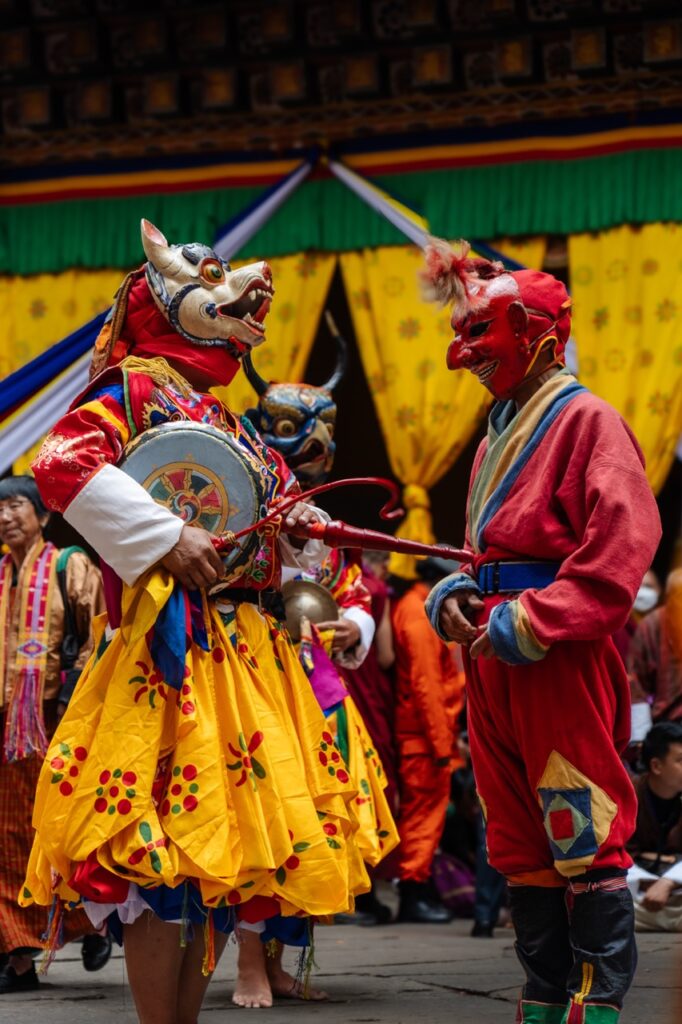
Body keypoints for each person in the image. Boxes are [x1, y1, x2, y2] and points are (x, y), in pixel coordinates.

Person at [20, 220, 367, 1023]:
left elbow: (275, 514)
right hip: (164, 655)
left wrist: (299, 529)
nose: (243, 293)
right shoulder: (135, 388)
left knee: (218, 852)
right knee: (156, 854)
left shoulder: (226, 418)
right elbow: (61, 464)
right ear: (167, 302)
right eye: (211, 280)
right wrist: (164, 535)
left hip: (243, 654)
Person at [420, 238, 661, 1023]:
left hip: (551, 651)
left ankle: (597, 1002)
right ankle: (542, 994)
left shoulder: (589, 420)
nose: (462, 356)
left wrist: (532, 618)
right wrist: (455, 592)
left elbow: (622, 546)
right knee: (518, 834)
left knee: (579, 820)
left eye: (477, 335)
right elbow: (486, 551)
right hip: (493, 651)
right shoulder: (499, 431)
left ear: (538, 335)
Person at [243, 353, 399, 944]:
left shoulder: (322, 525)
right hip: (256, 679)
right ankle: (254, 964)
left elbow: (348, 591)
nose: (314, 447)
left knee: (313, 820)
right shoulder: (245, 513)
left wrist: (355, 625)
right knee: (267, 815)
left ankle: (283, 961)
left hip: (317, 687)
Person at [0, 476, 111, 993]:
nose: (5, 516)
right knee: (9, 838)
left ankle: (91, 920)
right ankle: (19, 951)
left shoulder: (71, 565)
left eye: (15, 505)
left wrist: (79, 708)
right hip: (6, 727)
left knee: (59, 832)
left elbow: (98, 637)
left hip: (57, 718)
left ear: (43, 516)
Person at [391, 554, 465, 923]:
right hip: (424, 738)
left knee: (426, 818)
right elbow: (427, 687)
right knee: (422, 818)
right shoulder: (419, 613)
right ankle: (412, 894)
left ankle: (417, 890)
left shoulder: (418, 608)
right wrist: (440, 747)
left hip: (428, 735)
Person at [626, 721, 682, 932]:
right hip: (639, 891)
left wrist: (668, 882)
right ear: (657, 766)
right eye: (680, 760)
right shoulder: (628, 795)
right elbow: (614, 852)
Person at [629, 569, 682, 735]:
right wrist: (640, 734)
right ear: (669, 597)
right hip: (666, 725)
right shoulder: (653, 625)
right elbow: (635, 679)